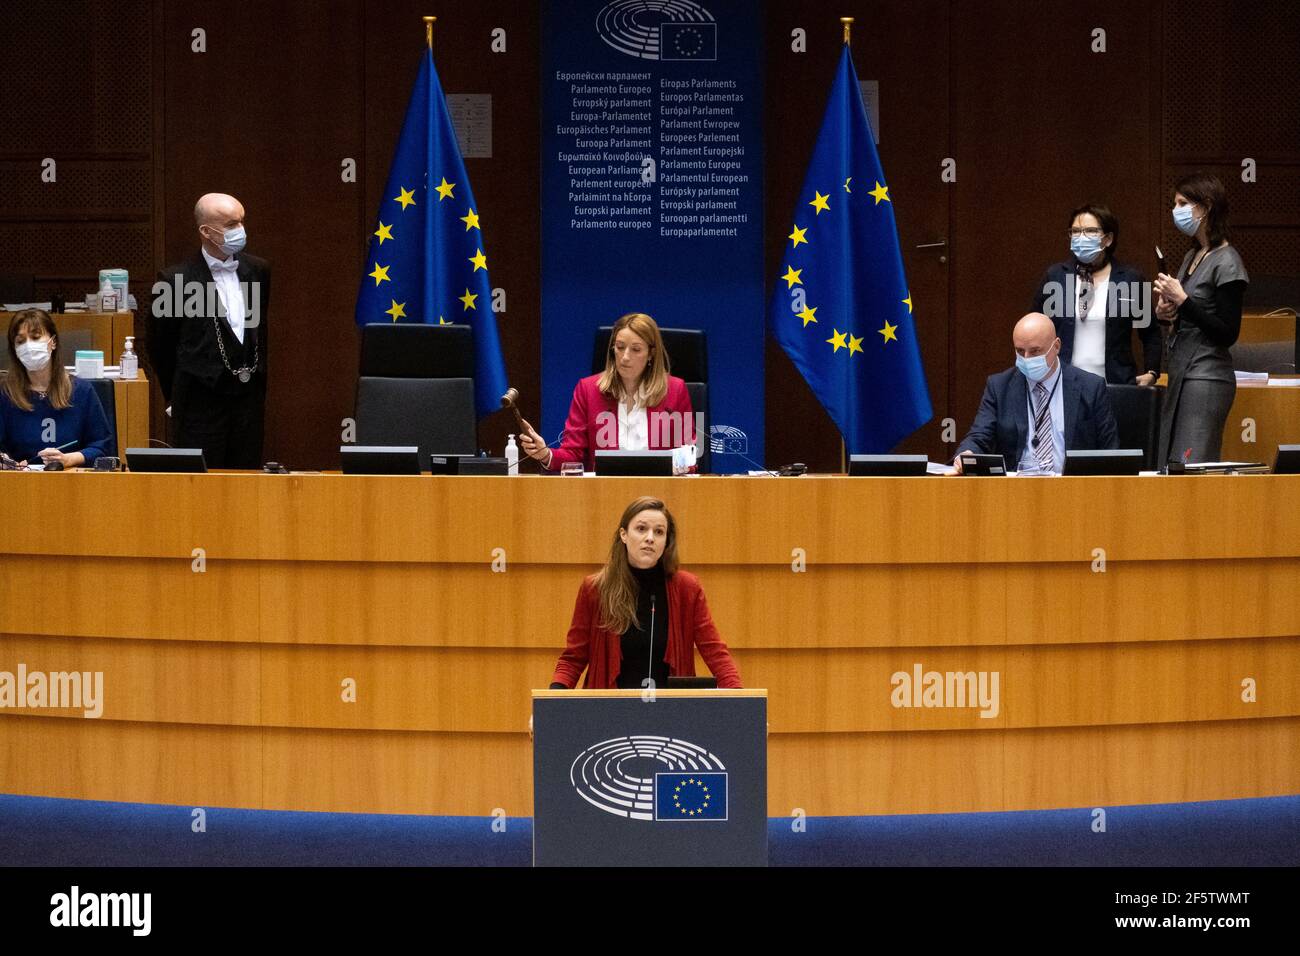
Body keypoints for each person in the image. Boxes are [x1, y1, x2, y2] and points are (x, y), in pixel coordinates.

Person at [549, 496, 742, 690]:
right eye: (641, 529)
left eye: (659, 532)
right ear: (624, 535)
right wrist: (550, 706)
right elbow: (573, 659)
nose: (650, 538)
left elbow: (715, 652)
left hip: (670, 713)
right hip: (610, 712)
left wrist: (741, 701)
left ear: (666, 542)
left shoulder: (687, 588)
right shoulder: (595, 589)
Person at [148, 192, 271, 469]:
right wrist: (176, 397)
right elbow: (160, 347)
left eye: (241, 221)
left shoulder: (259, 270)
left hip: (247, 403)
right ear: (206, 231)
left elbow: (258, 333)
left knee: (247, 485)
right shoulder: (175, 280)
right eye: (230, 225)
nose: (240, 230)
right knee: (201, 489)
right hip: (198, 406)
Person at [517, 312, 695, 473]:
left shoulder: (675, 390)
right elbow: (573, 453)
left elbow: (691, 453)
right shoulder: (588, 390)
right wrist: (546, 454)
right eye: (620, 347)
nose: (625, 357)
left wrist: (672, 468)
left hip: (660, 494)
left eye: (636, 349)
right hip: (603, 493)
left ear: (651, 354)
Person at [1152, 173, 1248, 465]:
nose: (1176, 209)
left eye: (1183, 203)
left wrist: (1183, 300)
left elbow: (1228, 332)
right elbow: (1190, 313)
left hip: (1207, 376)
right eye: (1175, 203)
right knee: (1171, 462)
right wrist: (1166, 313)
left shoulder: (1228, 260)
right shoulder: (1192, 255)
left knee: (1191, 464)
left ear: (1205, 207)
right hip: (1182, 370)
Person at [953, 312, 1119, 474]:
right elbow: (979, 435)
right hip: (1016, 490)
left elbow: (1110, 452)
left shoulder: (1091, 387)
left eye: (1035, 351)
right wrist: (967, 453)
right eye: (1019, 351)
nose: (1026, 358)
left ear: (1056, 346)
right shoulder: (999, 387)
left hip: (1072, 490)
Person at [1032, 203, 1161, 385]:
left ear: (1107, 239)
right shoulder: (1055, 276)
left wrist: (1152, 372)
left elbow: (1150, 333)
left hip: (1114, 384)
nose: (1081, 237)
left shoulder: (1130, 279)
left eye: (1090, 231)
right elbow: (1033, 327)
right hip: (1062, 384)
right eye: (1075, 231)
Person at [1, 309, 112, 468]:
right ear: (15, 350)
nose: (28, 346)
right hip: (20, 483)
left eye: (35, 337)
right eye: (20, 341)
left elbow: (102, 447)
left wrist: (68, 459)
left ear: (53, 342)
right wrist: (6, 462)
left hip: (72, 481)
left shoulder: (81, 391)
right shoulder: (5, 394)